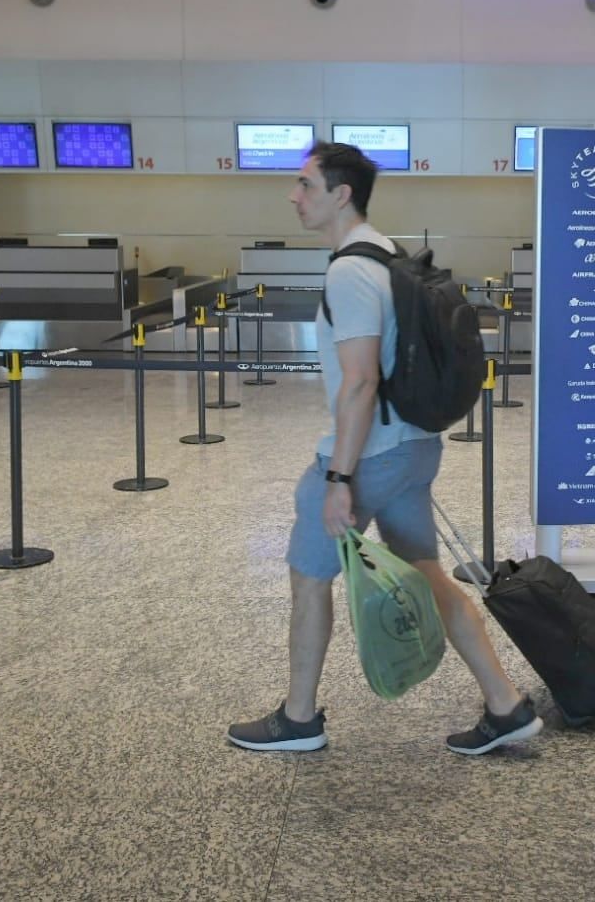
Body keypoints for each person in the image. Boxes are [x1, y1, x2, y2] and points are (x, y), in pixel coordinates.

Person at [227, 141, 542, 756]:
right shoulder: (391, 253)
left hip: (369, 456)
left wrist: (338, 479)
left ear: (340, 195)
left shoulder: (349, 271)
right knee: (426, 574)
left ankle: (298, 720)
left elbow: (362, 380)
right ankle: (506, 705)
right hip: (415, 446)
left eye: (305, 185)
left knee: (309, 575)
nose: (294, 196)